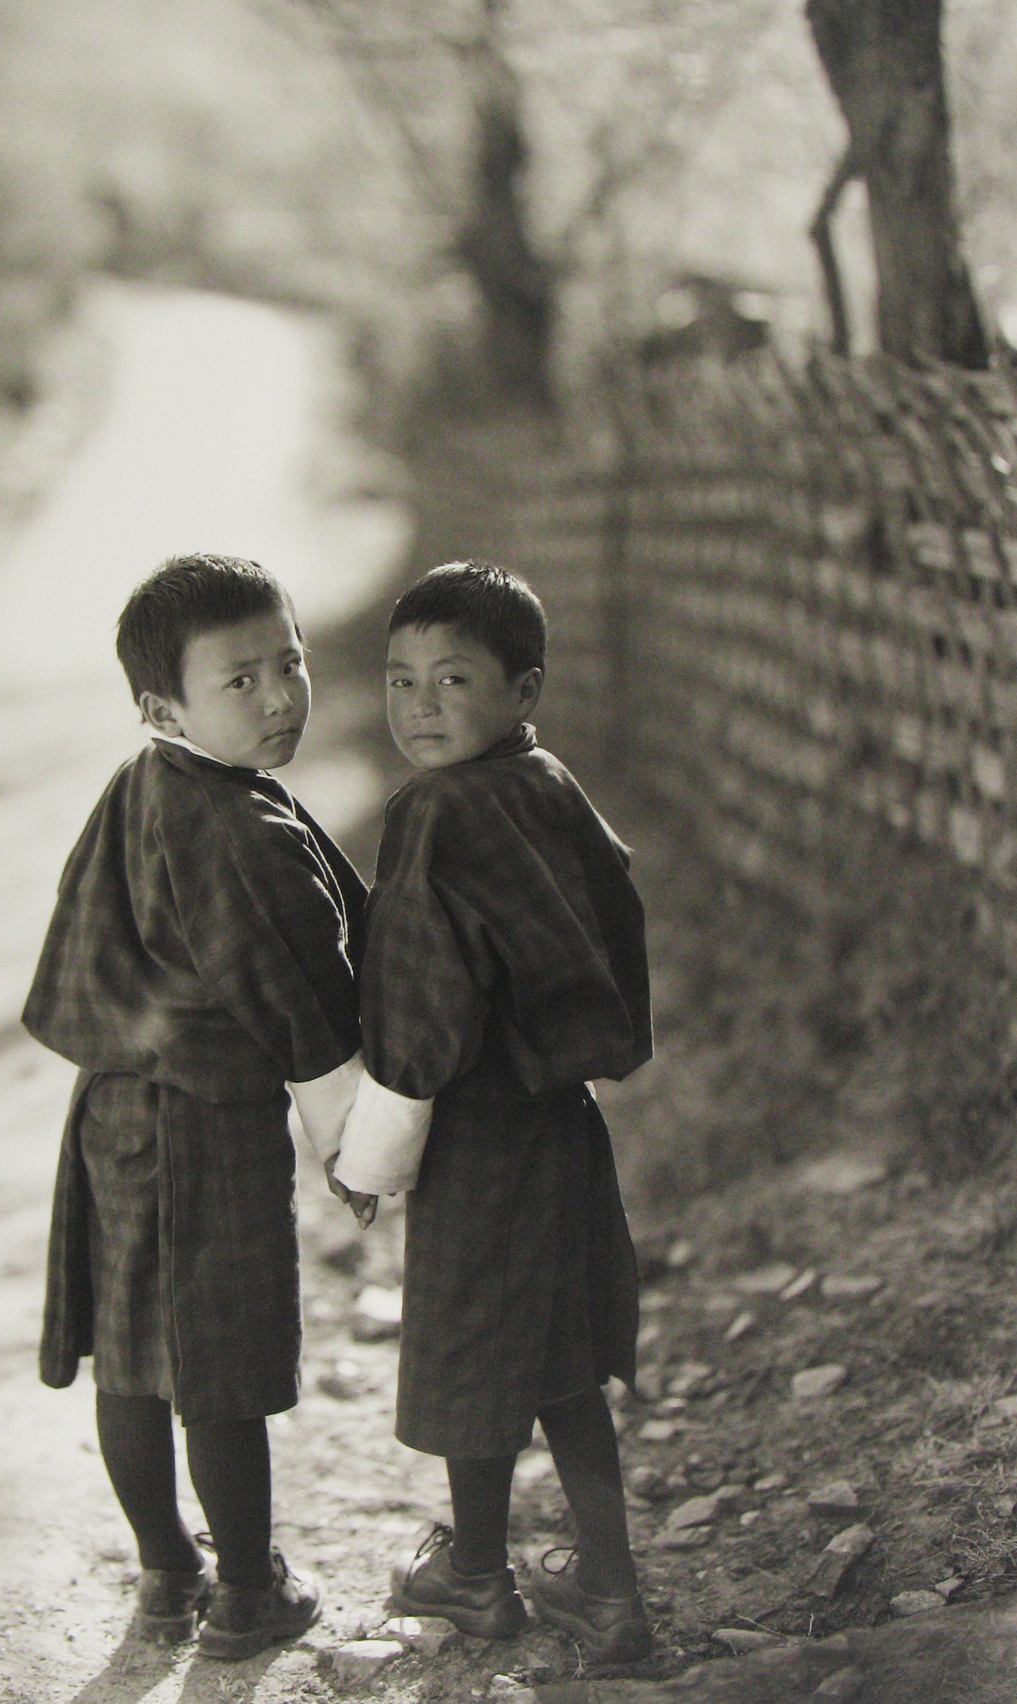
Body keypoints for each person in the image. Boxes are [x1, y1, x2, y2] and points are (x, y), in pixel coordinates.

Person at [23, 554, 368, 1655]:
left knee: (131, 1355)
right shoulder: (236, 829)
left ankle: (169, 1576)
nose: (278, 697)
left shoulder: (143, 783)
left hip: (110, 1109)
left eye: (290, 662)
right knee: (219, 1363)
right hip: (204, 1119)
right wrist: (360, 1145)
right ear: (162, 706)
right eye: (240, 680)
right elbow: (303, 1001)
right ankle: (250, 1591)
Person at [330, 561, 653, 1663]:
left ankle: (474, 1575)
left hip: (476, 1133)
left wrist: (367, 1160)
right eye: (400, 680)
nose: (418, 706)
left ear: (523, 689)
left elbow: (419, 1012)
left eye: (451, 679)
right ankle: (609, 1593)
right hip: (561, 1120)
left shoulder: (431, 814)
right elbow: (615, 904)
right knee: (559, 1360)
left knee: (472, 1353)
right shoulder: (548, 784)